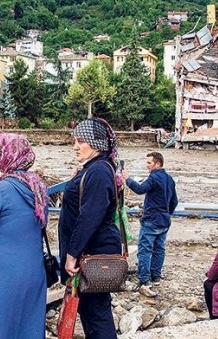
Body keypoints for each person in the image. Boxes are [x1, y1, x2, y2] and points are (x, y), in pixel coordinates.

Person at [0, 133, 49, 339]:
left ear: (7, 156)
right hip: (33, 270)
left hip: (1, 272)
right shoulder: (38, 187)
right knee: (27, 326)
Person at [59, 117, 122, 339]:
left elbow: (90, 217)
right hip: (91, 252)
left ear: (96, 143)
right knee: (90, 310)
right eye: (74, 141)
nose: (75, 146)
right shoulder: (94, 168)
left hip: (93, 254)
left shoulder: (98, 171)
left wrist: (72, 253)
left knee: (96, 313)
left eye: (80, 141)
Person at [122, 152, 178, 297]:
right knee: (159, 249)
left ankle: (144, 280)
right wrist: (167, 213)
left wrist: (127, 179)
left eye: (149, 163)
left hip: (152, 219)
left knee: (145, 250)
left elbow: (140, 189)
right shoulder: (169, 179)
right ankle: (156, 276)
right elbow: (174, 201)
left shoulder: (154, 178)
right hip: (164, 220)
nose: (147, 165)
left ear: (158, 163)